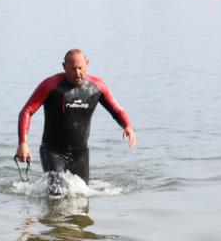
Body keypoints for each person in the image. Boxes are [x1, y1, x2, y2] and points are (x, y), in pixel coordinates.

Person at [15, 49, 136, 189]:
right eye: (72, 69)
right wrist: (23, 143)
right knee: (58, 192)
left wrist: (127, 126)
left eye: (80, 68)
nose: (77, 73)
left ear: (87, 64)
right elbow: (27, 111)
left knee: (82, 195)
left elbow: (117, 110)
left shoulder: (97, 87)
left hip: (80, 154)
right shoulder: (51, 85)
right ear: (64, 67)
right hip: (53, 151)